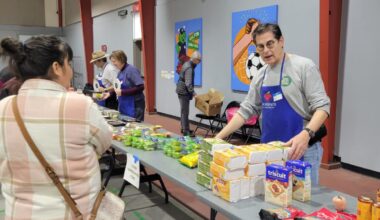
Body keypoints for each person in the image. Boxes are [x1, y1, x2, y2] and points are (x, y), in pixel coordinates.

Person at [0, 36, 112, 218]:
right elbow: (105, 143)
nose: (71, 70)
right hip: (75, 213)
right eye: (69, 63)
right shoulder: (81, 106)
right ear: (57, 67)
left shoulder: (3, 107)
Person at [216, 23, 330, 185]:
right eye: (261, 47)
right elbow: (246, 110)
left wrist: (306, 135)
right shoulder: (260, 76)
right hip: (270, 152)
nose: (266, 51)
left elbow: (322, 107)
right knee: (272, 198)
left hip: (301, 150)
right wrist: (218, 138)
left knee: (301, 203)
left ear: (281, 41)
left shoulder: (303, 67)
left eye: (270, 44)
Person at [110, 50, 145, 121]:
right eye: (112, 62)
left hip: (134, 105)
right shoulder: (120, 72)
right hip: (124, 104)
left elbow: (141, 87)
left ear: (121, 59)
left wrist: (123, 92)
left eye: (114, 61)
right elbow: (118, 87)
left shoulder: (131, 70)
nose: (113, 64)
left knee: (135, 126)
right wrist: (109, 93)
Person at [176, 51, 202, 136]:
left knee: (183, 111)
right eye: (199, 61)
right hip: (183, 91)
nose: (199, 63)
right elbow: (188, 83)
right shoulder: (189, 68)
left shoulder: (187, 64)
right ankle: (186, 131)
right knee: (185, 111)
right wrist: (194, 94)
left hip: (181, 89)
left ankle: (183, 128)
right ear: (195, 60)